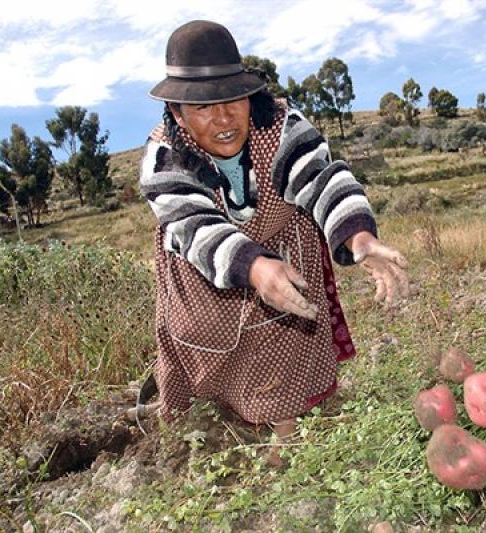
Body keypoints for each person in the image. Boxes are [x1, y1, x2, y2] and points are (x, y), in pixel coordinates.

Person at [138, 20, 408, 445]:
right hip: (204, 264)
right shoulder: (164, 159)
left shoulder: (282, 126)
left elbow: (320, 178)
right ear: (177, 113)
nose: (223, 119)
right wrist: (254, 266)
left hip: (287, 243)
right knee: (203, 337)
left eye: (233, 101)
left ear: (250, 98)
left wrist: (359, 237)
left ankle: (285, 432)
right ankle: (208, 421)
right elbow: (195, 226)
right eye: (204, 108)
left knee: (287, 331)